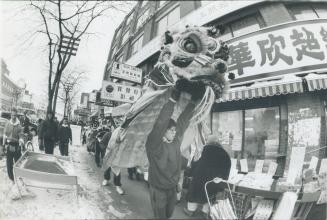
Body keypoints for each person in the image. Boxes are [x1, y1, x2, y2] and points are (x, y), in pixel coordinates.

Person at [145, 79, 204, 219]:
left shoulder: (175, 140)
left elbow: (183, 120)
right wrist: (172, 99)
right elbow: (161, 122)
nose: (174, 132)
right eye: (171, 130)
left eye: (174, 130)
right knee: (161, 217)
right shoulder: (154, 144)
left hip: (172, 188)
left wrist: (193, 103)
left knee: (169, 214)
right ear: (163, 131)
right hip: (158, 189)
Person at [183, 135, 231, 217]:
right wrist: (223, 179)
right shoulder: (224, 153)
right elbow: (227, 167)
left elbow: (194, 163)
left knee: (194, 193)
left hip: (199, 179)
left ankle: (190, 210)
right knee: (209, 194)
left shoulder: (202, 150)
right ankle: (205, 212)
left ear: (208, 142)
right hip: (213, 181)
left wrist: (190, 173)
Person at [2, 108, 24, 182]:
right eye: (12, 115)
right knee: (9, 163)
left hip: (17, 146)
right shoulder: (8, 124)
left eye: (15, 115)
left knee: (18, 163)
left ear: (16, 115)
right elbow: (5, 135)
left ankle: (19, 178)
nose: (13, 117)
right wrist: (3, 145)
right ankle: (11, 178)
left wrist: (20, 145)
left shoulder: (19, 126)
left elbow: (21, 137)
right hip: (9, 145)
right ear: (11, 115)